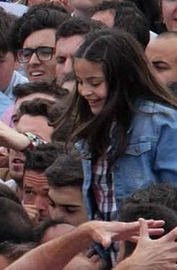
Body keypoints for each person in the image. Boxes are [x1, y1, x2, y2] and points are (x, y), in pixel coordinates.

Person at [69, 29, 177, 218]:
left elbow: (172, 194)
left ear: (123, 79)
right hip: (107, 243)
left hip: (150, 240)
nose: (85, 91)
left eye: (95, 83)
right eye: (80, 82)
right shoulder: (92, 125)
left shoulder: (162, 123)